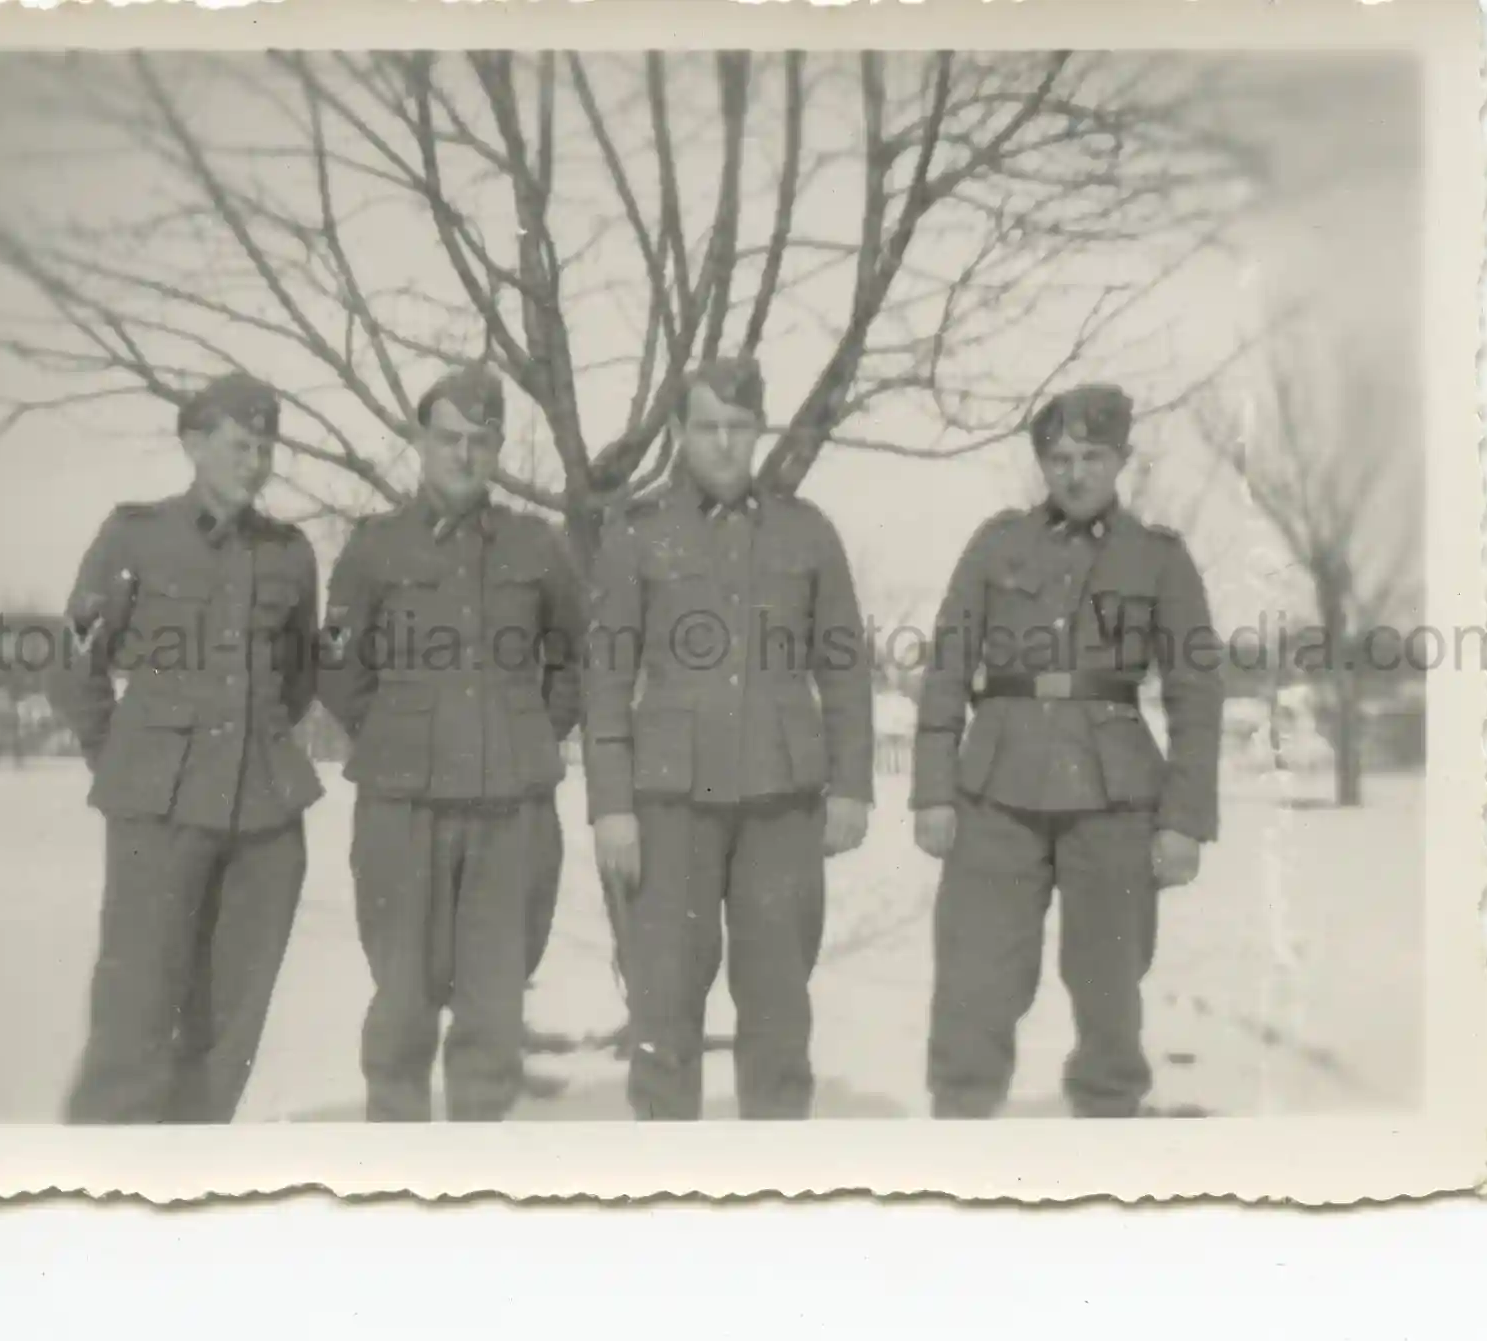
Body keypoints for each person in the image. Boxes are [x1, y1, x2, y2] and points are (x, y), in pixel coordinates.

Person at [911, 383, 1225, 1119]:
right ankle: (960, 1123)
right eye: (1058, 457)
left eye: (1091, 456)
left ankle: (1108, 1123)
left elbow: (1195, 693)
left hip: (1113, 795)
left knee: (1109, 979)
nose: (1075, 472)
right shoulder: (997, 546)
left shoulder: (1158, 559)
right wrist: (931, 789)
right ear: (1040, 464)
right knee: (975, 975)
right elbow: (946, 667)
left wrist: (1184, 818)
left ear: (1121, 459)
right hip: (996, 789)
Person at [583, 356, 874, 1121]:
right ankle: (668, 1192)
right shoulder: (635, 533)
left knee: (778, 1005)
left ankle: (768, 1192)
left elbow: (843, 666)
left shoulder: (806, 532)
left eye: (738, 428)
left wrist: (850, 784)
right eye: (706, 427)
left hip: (780, 802)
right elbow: (605, 677)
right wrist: (609, 805)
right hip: (672, 803)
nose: (722, 444)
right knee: (665, 1004)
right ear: (678, 432)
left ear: (758, 432)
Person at [50, 370, 324, 1124]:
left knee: (227, 1030)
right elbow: (74, 660)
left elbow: (297, 678)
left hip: (265, 819)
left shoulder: (292, 554)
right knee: (133, 1019)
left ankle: (187, 1188)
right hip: (158, 813)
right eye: (241, 445)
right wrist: (124, 759)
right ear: (194, 443)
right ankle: (92, 1194)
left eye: (267, 447)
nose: (256, 462)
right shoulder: (134, 535)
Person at [317, 367, 586, 1122]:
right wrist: (390, 736)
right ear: (418, 441)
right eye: (447, 439)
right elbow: (335, 661)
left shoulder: (538, 546)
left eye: (480, 440)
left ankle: (472, 1188)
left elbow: (576, 655)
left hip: (512, 814)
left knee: (493, 1013)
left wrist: (532, 733)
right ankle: (394, 1187)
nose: (463, 455)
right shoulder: (372, 548)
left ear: (498, 447)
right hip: (401, 812)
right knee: (400, 1003)